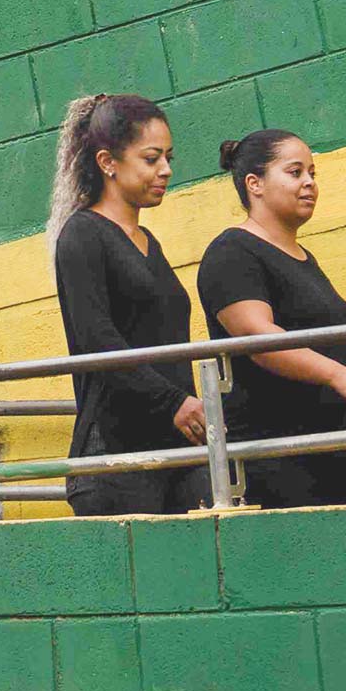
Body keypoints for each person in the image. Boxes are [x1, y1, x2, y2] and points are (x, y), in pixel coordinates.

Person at [196, 129, 346, 509]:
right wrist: (340, 375)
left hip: (344, 457)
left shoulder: (303, 258)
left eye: (312, 172)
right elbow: (258, 338)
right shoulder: (232, 253)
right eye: (294, 172)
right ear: (254, 184)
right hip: (282, 465)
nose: (309, 182)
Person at [48, 92, 210, 516]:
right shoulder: (82, 235)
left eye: (168, 157)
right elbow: (97, 340)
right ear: (108, 163)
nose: (166, 170)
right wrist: (173, 402)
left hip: (178, 455)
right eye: (151, 158)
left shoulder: (147, 242)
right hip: (116, 461)